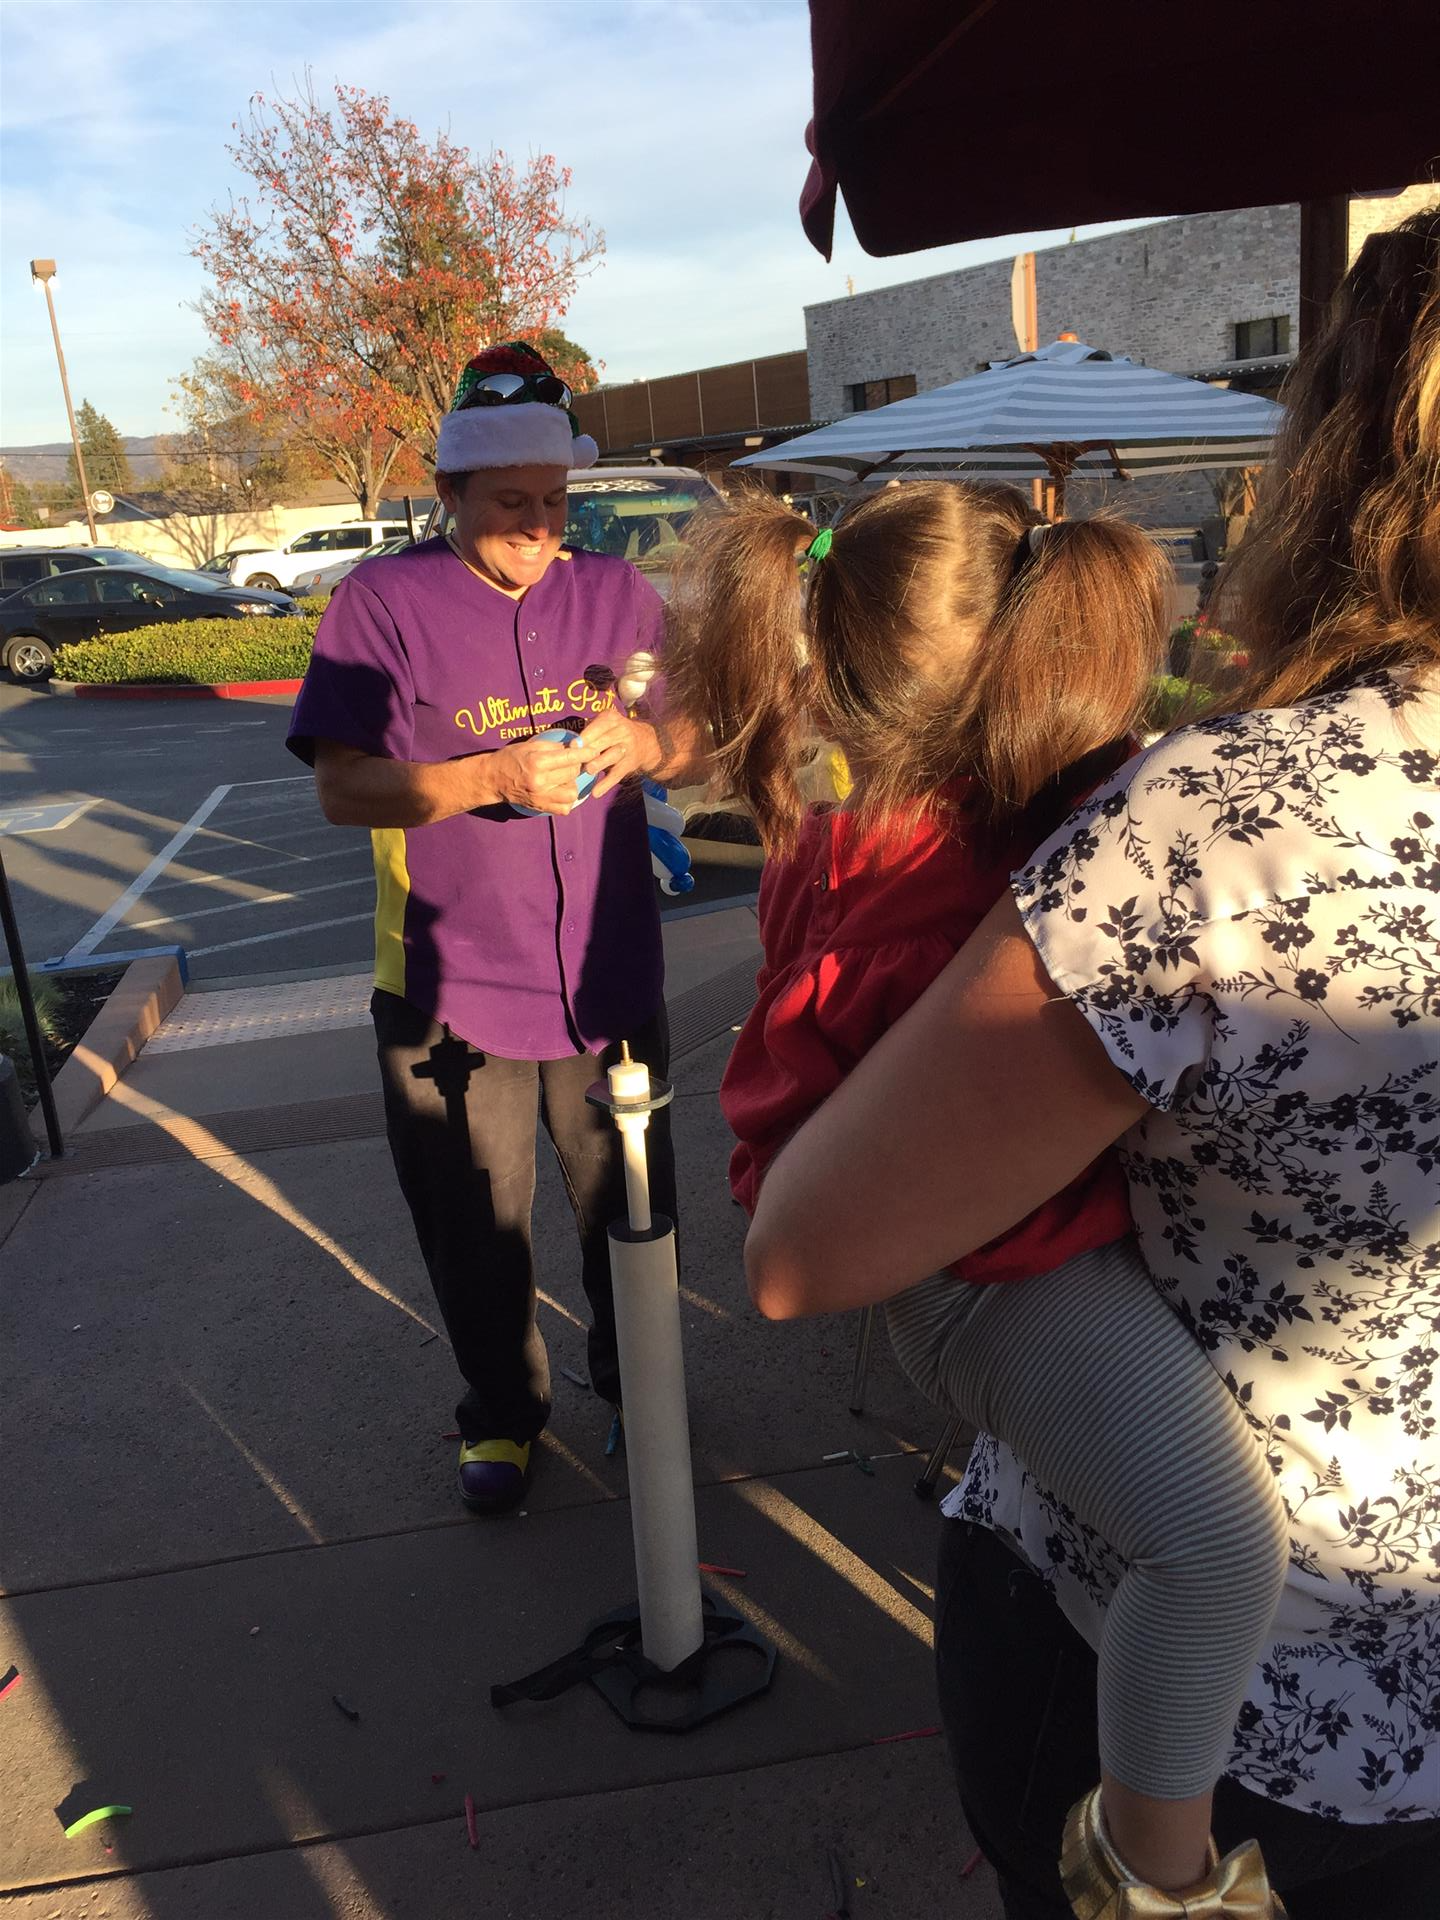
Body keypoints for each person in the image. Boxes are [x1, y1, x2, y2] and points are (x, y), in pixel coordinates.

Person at [742, 208, 1440, 1917]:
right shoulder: (1144, 807)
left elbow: (805, 1248)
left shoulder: (1222, 820)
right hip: (1350, 1712)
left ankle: (1149, 1877)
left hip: (1240, 1701)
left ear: (1337, 459)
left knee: (1205, 1554)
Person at [663, 480, 1291, 1913]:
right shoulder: (920, 883)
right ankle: (1156, 1883)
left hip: (1019, 1248)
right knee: (1211, 1552)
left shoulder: (963, 822)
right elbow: (812, 1203)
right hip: (992, 1284)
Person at [287, 342, 689, 1516]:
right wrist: (490, 775)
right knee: (475, 1228)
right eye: (510, 503)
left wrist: (651, 748)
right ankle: (503, 1417)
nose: (538, 527)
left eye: (556, 502)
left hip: (610, 977)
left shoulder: (621, 597)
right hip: (451, 983)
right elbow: (343, 787)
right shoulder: (381, 605)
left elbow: (693, 730)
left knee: (633, 1206)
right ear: (448, 491)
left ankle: (643, 1389)